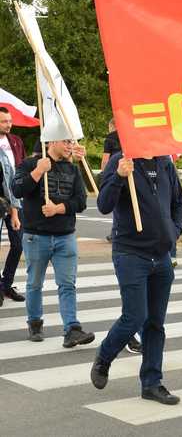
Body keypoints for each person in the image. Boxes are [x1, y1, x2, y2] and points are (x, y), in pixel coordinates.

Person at [91, 152, 182, 405]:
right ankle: (104, 356)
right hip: (131, 253)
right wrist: (119, 176)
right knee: (135, 316)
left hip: (161, 256)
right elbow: (103, 204)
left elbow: (179, 202)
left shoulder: (165, 162)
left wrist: (174, 231)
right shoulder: (121, 160)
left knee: (155, 324)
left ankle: (152, 383)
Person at [12, 138, 95, 347]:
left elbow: (81, 202)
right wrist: (38, 172)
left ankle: (72, 329)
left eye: (71, 142)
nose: (70, 146)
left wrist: (58, 209)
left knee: (67, 284)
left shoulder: (73, 169)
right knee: (34, 284)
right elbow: (17, 190)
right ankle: (35, 322)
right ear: (51, 142)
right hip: (35, 235)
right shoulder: (31, 164)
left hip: (65, 236)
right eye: (65, 141)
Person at [125, 193, 182, 355]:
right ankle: (126, 339)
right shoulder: (128, 168)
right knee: (136, 299)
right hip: (132, 248)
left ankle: (147, 350)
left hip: (160, 247)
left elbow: (181, 202)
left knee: (151, 302)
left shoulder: (167, 169)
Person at [0, 106, 27, 304]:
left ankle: (5, 285)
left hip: (15, 200)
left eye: (9, 121)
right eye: (4, 122)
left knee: (18, 244)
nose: (8, 124)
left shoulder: (16, 141)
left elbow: (22, 168)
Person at [101, 119, 120, 242]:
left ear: (113, 126)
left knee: (116, 203)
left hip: (115, 171)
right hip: (130, 168)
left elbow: (105, 159)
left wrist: (104, 173)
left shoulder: (110, 138)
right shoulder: (126, 135)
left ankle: (115, 232)